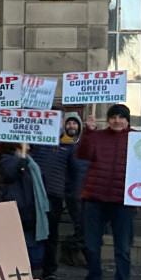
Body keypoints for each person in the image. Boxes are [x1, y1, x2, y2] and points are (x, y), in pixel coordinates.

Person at [75, 103, 135, 280]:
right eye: (113, 117)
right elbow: (82, 154)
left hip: (123, 202)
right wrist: (88, 132)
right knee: (91, 245)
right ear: (108, 119)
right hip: (95, 198)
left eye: (121, 117)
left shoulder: (139, 140)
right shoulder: (97, 136)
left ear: (127, 120)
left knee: (123, 249)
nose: (117, 121)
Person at [29, 126, 73, 280]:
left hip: (54, 194)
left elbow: (73, 170)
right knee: (27, 233)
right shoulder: (33, 139)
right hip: (31, 193)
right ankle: (26, 271)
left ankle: (49, 273)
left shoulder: (68, 144)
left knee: (51, 235)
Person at [0, 144, 51, 269]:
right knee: (29, 254)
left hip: (32, 210)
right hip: (20, 210)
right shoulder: (7, 159)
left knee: (35, 255)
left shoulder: (31, 160)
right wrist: (20, 165)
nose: (29, 143)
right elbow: (8, 174)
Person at [61, 112, 89, 266]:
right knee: (81, 224)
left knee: (86, 225)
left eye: (74, 123)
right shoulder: (62, 144)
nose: (71, 126)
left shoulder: (84, 143)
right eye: (69, 123)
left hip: (88, 190)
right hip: (72, 191)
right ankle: (71, 247)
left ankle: (77, 250)